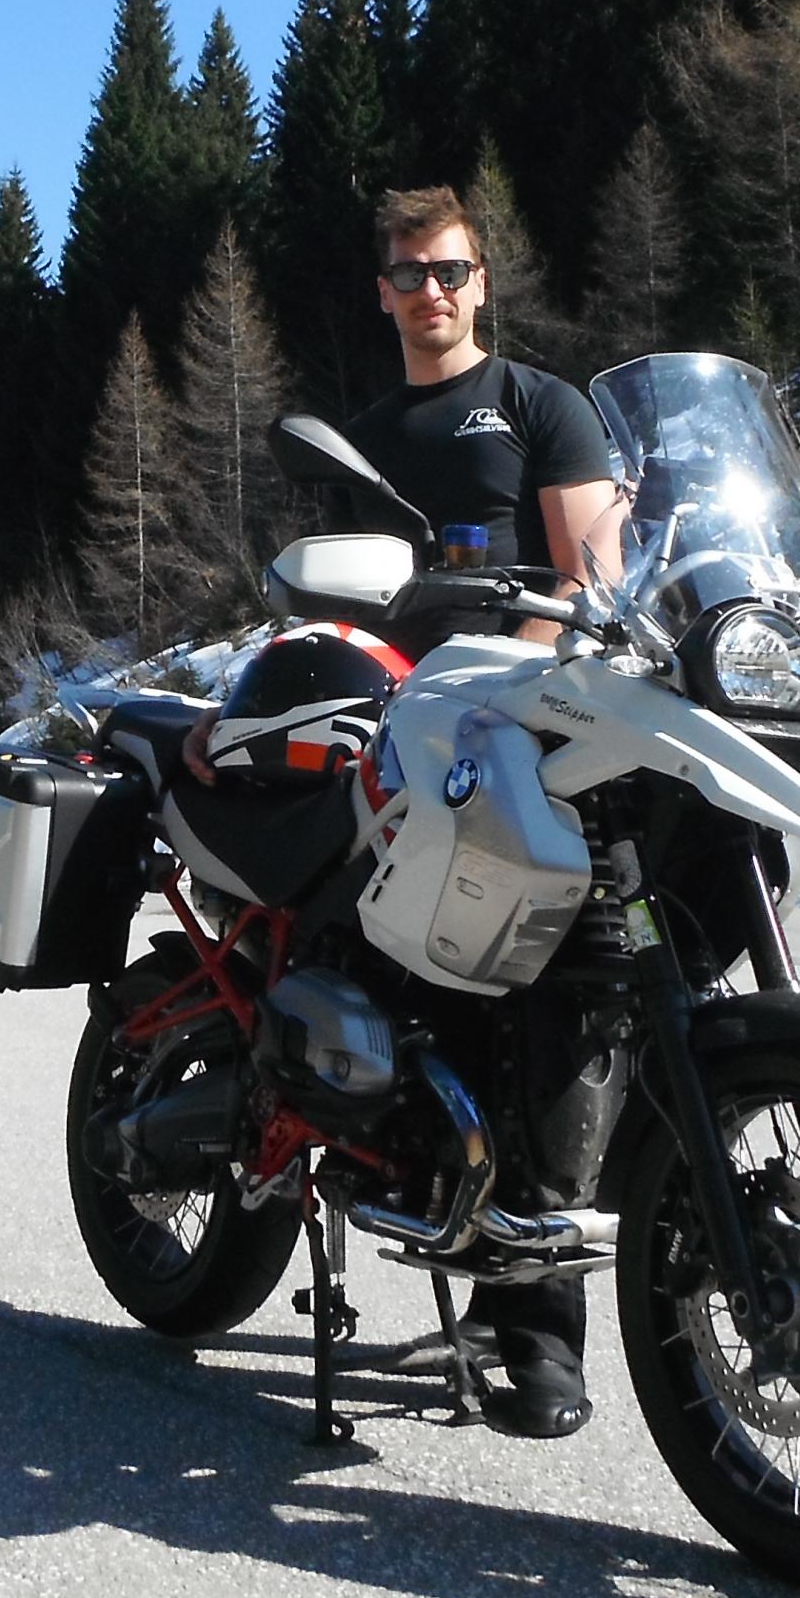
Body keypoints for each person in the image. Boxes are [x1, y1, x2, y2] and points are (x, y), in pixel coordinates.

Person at [194, 182, 626, 1438]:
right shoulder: (368, 437)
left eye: (447, 270)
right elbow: (335, 602)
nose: (428, 291)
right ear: (380, 292)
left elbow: (591, 575)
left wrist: (524, 677)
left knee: (558, 977)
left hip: (534, 716)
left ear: (480, 280)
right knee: (418, 967)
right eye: (406, 274)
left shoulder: (541, 405)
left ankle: (527, 1307)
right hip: (403, 727)